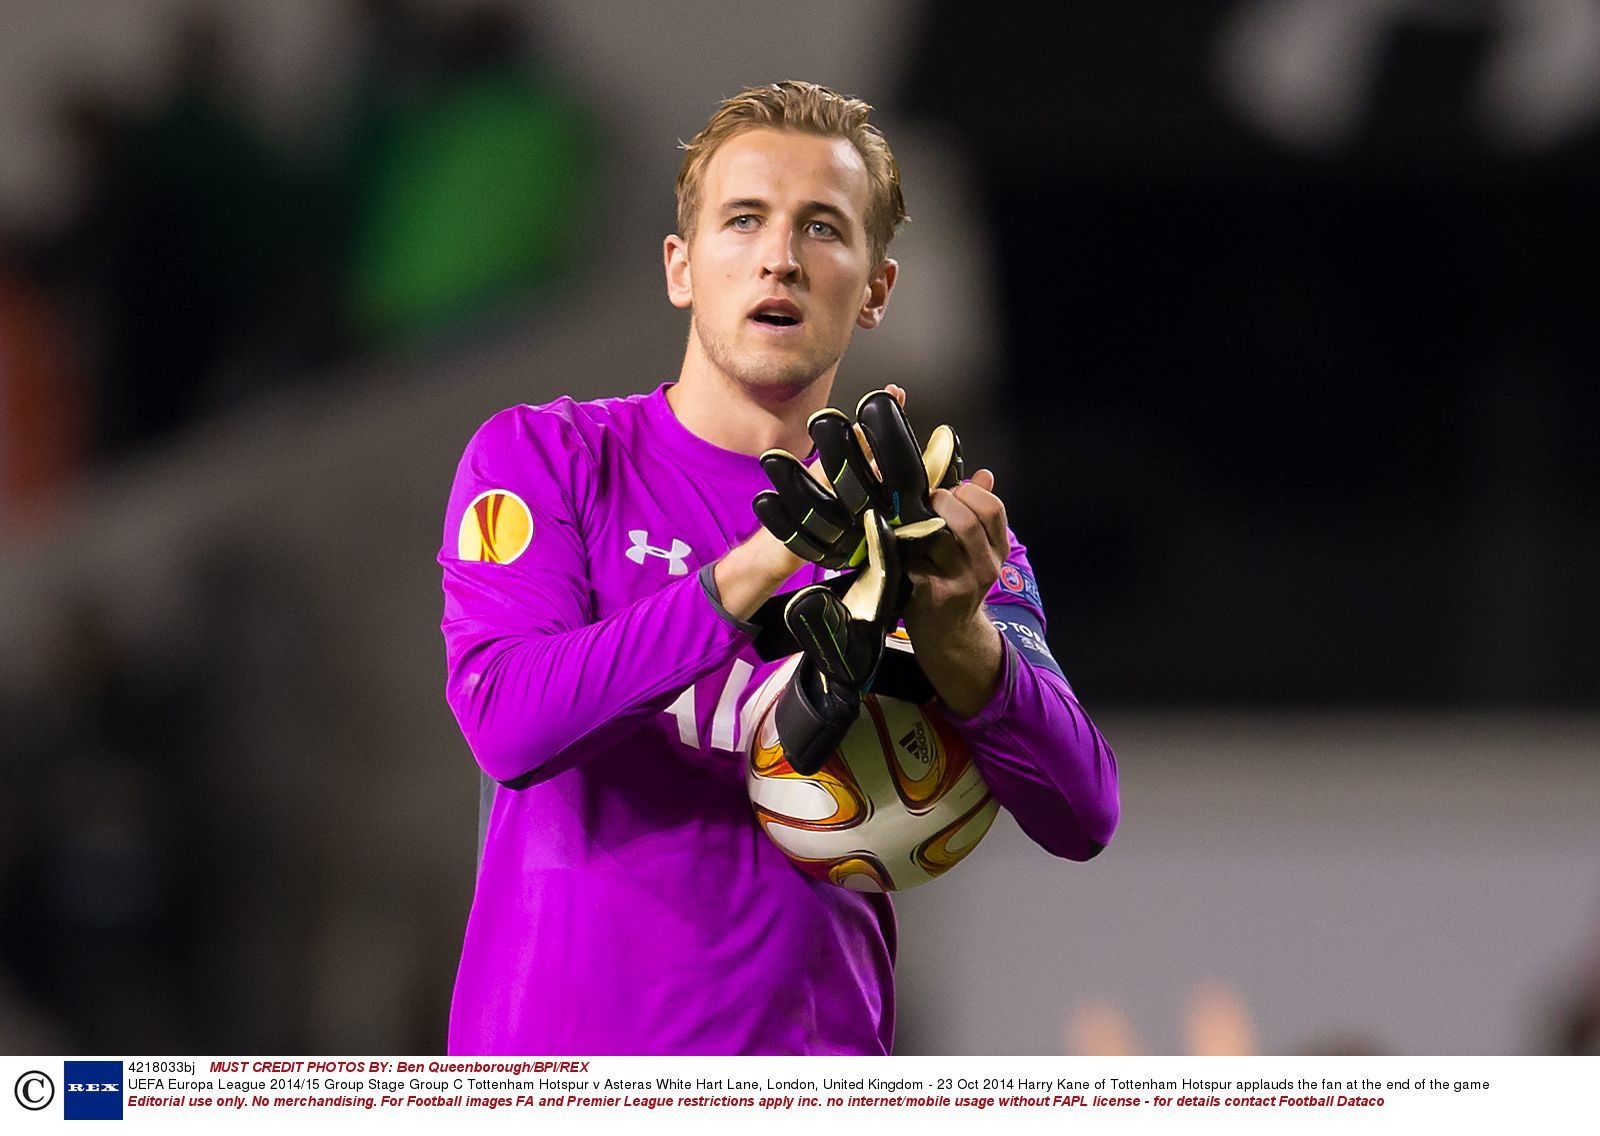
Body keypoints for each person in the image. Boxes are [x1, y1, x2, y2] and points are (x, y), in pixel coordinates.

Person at [438, 80, 1120, 1055]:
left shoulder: (930, 529)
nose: (780, 257)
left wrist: (960, 639)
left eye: (822, 227)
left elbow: (1083, 810)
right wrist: (763, 563)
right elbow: (508, 722)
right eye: (744, 219)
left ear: (876, 288)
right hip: (557, 1087)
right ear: (681, 266)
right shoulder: (548, 458)